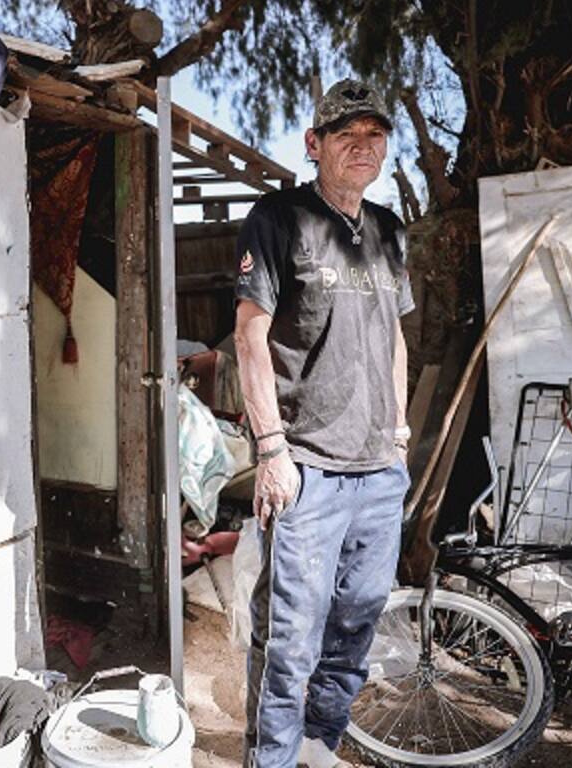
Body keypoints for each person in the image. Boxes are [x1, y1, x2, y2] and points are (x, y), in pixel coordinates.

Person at [234, 78, 414, 768]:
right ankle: (272, 760)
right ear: (315, 144)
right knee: (290, 641)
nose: (364, 146)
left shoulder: (389, 231)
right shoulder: (279, 218)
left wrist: (399, 433)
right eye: (347, 134)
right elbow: (250, 336)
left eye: (375, 135)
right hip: (306, 468)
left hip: (378, 471)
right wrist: (271, 451)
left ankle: (318, 744)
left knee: (355, 630)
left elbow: (395, 340)